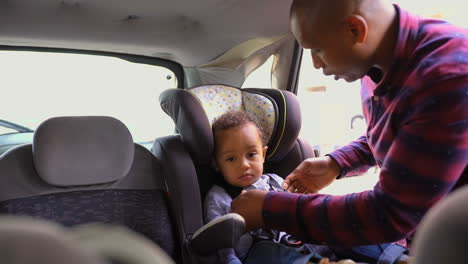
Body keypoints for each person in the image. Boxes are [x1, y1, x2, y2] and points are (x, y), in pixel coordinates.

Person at [231, 0, 468, 250]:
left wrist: (270, 209)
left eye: (319, 49)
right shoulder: (377, 63)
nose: (316, 64)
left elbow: (389, 214)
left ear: (356, 30)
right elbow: (409, 138)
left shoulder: (447, 78)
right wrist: (337, 163)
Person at [204, 110, 355, 264]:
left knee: (331, 231)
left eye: (251, 155)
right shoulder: (219, 196)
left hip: (296, 242)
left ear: (263, 155)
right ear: (216, 163)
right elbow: (220, 241)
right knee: (266, 249)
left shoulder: (275, 181)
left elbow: (299, 210)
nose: (244, 165)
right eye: (231, 158)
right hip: (256, 253)